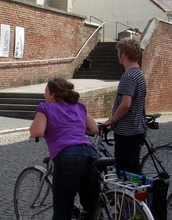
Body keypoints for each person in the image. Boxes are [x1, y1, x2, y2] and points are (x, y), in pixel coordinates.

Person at [30, 78, 99, 220]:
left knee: (62, 210)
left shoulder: (45, 108)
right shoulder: (79, 107)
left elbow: (37, 132)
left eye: (46, 92)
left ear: (53, 94)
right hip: (90, 153)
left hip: (67, 155)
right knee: (92, 209)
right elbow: (93, 129)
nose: (44, 95)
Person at [103, 37, 148, 176]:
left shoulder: (128, 76)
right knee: (133, 170)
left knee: (125, 174)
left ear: (124, 54)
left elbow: (126, 104)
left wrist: (113, 120)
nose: (118, 55)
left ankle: (129, 198)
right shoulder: (139, 74)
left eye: (118, 52)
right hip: (136, 129)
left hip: (127, 132)